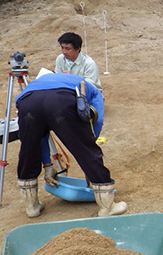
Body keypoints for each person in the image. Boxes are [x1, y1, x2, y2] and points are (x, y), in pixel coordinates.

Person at [15, 72, 126, 218]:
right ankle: (107, 207)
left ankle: (32, 207)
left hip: (27, 103)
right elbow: (96, 119)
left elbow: (40, 137)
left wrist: (47, 165)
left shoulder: (36, 84)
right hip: (61, 100)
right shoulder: (90, 89)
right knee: (86, 150)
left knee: (28, 151)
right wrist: (89, 145)